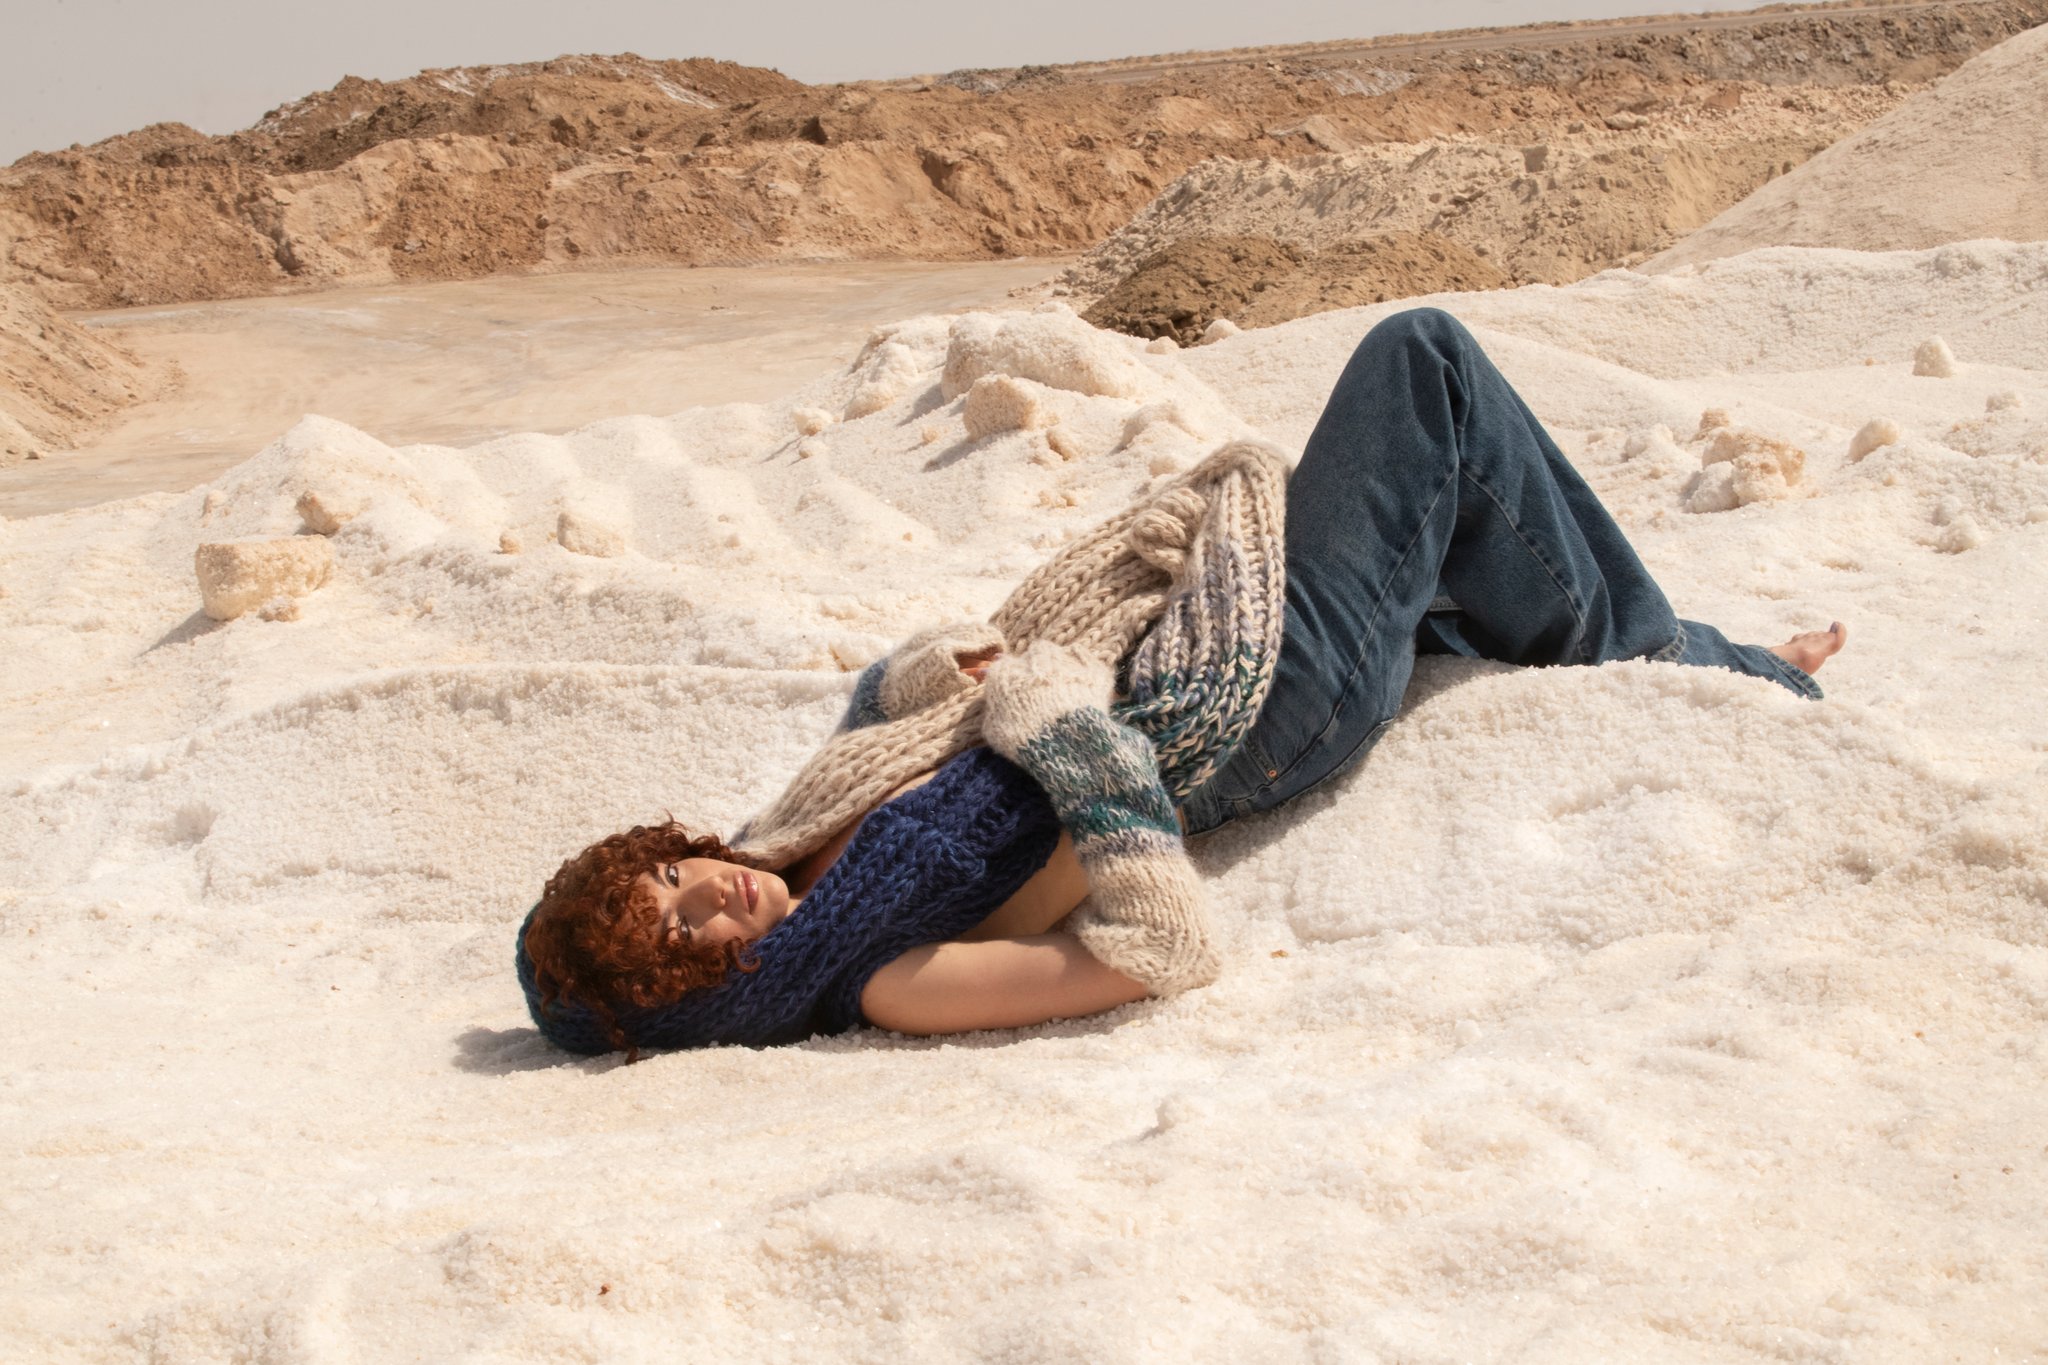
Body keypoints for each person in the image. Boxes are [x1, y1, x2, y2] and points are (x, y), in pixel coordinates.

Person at [518, 308, 1845, 1056]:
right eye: (679, 936)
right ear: (684, 1002)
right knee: (1423, 365)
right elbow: (1159, 949)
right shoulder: (884, 980)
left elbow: (882, 726)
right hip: (1250, 719)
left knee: (1435, 541)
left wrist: (924, 672)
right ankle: (1675, 660)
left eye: (671, 874)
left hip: (1162, 664)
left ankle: (1699, 656)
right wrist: (1076, 749)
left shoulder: (783, 845)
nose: (710, 892)